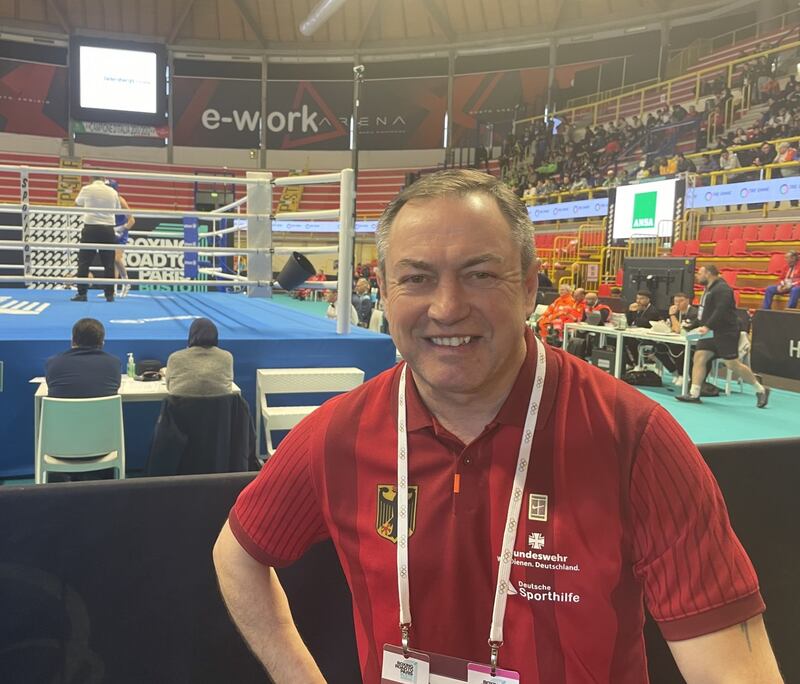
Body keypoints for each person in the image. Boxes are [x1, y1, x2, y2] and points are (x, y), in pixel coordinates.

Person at [214, 169, 781, 684]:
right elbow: (237, 554)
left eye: (480, 274)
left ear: (531, 286)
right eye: (416, 279)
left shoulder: (634, 439)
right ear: (382, 290)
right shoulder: (339, 434)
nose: (447, 307)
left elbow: (734, 670)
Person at [678, 265, 770, 407]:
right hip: (710, 332)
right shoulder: (708, 289)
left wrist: (707, 326)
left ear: (708, 274)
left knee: (732, 364)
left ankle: (761, 389)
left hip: (725, 331)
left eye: (700, 273)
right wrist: (692, 326)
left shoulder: (722, 289)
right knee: (699, 357)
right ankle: (694, 393)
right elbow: (704, 313)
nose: (697, 275)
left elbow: (721, 310)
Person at [72, 178, 121, 302]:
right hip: (108, 229)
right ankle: (109, 295)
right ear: (103, 179)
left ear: (91, 179)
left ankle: (82, 294)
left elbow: (77, 203)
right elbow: (118, 209)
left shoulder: (87, 189)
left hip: (91, 228)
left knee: (84, 263)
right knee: (109, 264)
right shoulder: (112, 191)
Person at [45, 318, 120, 398]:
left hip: (65, 410)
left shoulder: (53, 363)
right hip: (103, 410)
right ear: (102, 342)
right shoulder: (114, 364)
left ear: (72, 340)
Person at [163, 318, 234, 397]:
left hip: (182, 408)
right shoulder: (227, 357)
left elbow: (169, 387)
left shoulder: (175, 358)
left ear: (191, 335)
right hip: (221, 408)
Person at [655, 292, 699, 386]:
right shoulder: (676, 311)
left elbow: (679, 330)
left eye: (681, 301)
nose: (678, 303)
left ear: (688, 301)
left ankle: (683, 374)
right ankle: (674, 371)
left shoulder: (694, 313)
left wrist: (672, 315)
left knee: (677, 348)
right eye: (675, 301)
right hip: (676, 340)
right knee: (658, 348)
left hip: (693, 343)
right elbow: (668, 326)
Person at [104, 180, 135, 298]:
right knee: (112, 261)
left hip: (121, 232)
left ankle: (126, 282)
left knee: (117, 258)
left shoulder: (121, 201)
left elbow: (132, 220)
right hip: (111, 230)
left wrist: (121, 229)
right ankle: (113, 289)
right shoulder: (106, 201)